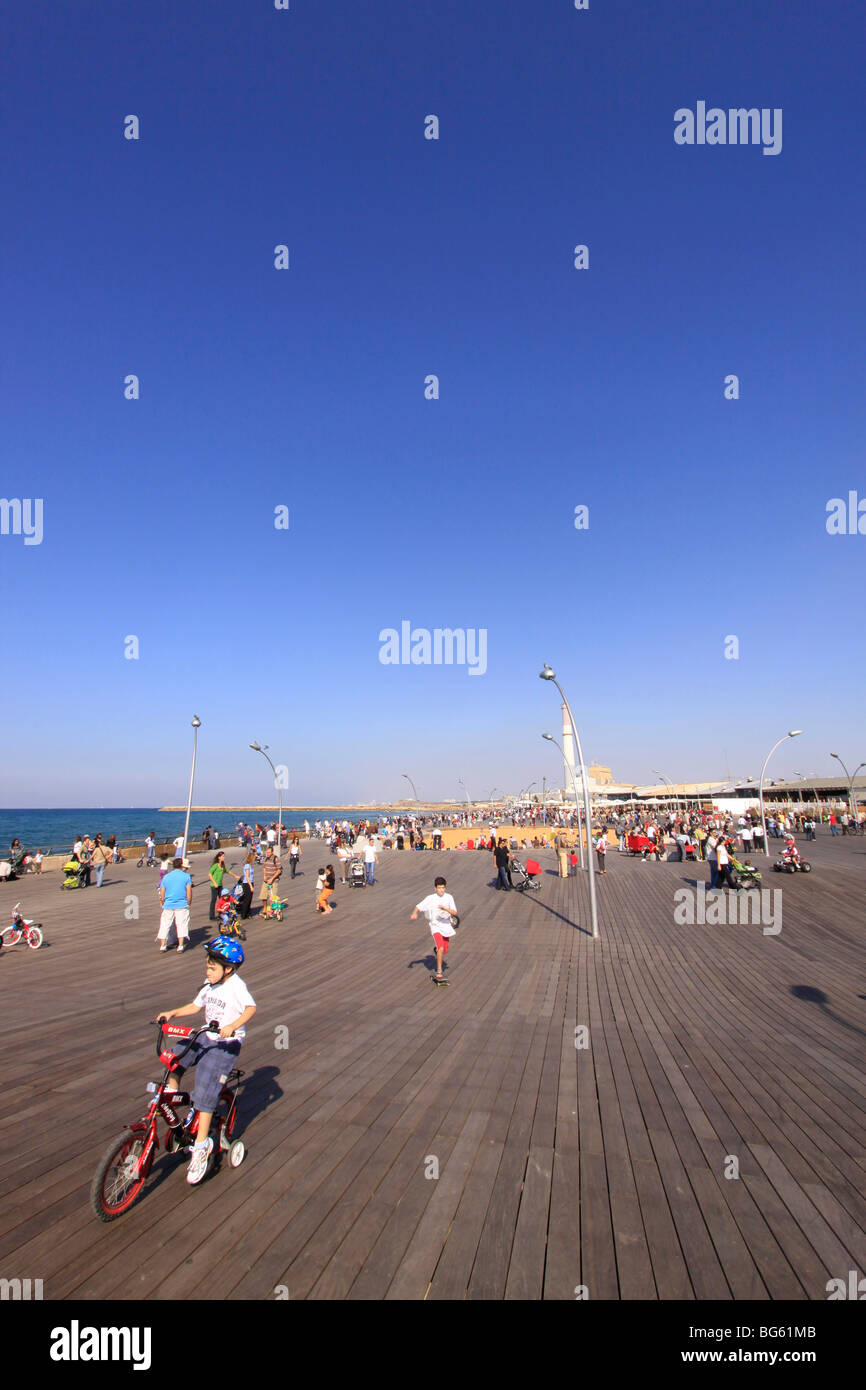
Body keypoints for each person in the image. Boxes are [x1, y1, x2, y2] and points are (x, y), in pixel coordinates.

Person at [158, 936, 256, 1185]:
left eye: (212, 967)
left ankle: (201, 1146)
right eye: (207, 966)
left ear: (228, 969)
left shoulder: (236, 986)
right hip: (205, 1035)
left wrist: (232, 1026)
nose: (207, 971)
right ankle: (171, 1095)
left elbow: (250, 1008)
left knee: (204, 1086)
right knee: (176, 1056)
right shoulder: (209, 985)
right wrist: (172, 1013)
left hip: (225, 1044)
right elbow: (194, 1006)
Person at [411, 876, 459, 983]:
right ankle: (439, 971)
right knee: (441, 947)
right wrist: (414, 913)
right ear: (435, 888)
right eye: (439, 888)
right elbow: (419, 906)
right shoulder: (431, 898)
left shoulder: (449, 897)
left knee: (444, 950)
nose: (441, 890)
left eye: (443, 888)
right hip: (435, 926)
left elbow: (455, 912)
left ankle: (437, 951)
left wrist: (445, 908)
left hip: (446, 926)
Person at [157, 858, 193, 952]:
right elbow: (189, 891)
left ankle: (162, 945)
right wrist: (189, 901)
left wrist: (162, 901)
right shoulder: (186, 876)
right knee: (181, 924)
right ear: (181, 865)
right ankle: (180, 946)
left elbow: (162, 890)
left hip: (168, 904)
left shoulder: (167, 876)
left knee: (165, 924)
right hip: (181, 904)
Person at [208, 851, 238, 921]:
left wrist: (235, 876)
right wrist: (214, 883)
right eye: (223, 856)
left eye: (224, 856)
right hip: (214, 885)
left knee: (222, 899)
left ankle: (221, 913)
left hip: (220, 885)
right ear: (219, 857)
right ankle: (211, 916)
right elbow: (209, 874)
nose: (224, 857)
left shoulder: (222, 865)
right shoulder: (215, 865)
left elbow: (228, 871)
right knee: (214, 900)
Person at [260, 847, 283, 918]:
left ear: (272, 852)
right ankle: (265, 908)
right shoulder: (265, 859)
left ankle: (271, 910)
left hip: (274, 880)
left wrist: (272, 878)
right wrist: (264, 876)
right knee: (263, 895)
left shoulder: (276, 859)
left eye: (269, 852)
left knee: (272, 896)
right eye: (267, 852)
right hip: (266, 880)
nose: (267, 854)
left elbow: (279, 870)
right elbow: (264, 868)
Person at [237, 853, 255, 920]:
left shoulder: (250, 865)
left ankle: (247, 913)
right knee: (247, 900)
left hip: (250, 882)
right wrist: (250, 886)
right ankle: (243, 914)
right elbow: (247, 876)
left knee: (249, 899)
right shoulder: (247, 866)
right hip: (247, 883)